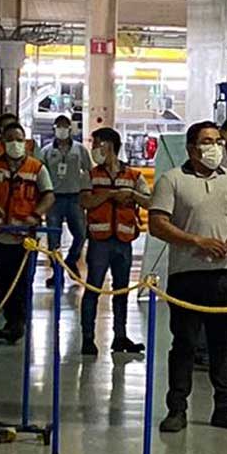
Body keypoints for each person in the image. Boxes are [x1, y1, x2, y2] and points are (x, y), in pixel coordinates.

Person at [148, 120, 227, 433]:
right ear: (192, 147)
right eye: (208, 142)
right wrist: (195, 241)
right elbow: (157, 223)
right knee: (185, 343)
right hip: (187, 275)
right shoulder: (173, 180)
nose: (215, 147)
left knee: (223, 345)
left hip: (225, 274)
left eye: (219, 141)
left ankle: (225, 407)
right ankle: (177, 408)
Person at [0, 120, 53, 344]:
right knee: (4, 281)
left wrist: (36, 215)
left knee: (22, 282)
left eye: (19, 140)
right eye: (10, 140)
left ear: (26, 142)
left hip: (25, 238)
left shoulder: (36, 168)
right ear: (1, 142)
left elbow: (48, 195)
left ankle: (19, 321)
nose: (15, 144)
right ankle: (12, 320)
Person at [77, 126, 148, 356]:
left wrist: (132, 196)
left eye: (97, 143)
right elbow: (85, 202)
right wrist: (108, 195)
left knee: (121, 291)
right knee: (93, 289)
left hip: (124, 241)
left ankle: (120, 336)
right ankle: (88, 338)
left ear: (109, 145)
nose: (95, 148)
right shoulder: (91, 175)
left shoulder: (133, 176)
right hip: (99, 241)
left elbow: (149, 201)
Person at [41, 114, 90, 282]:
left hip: (75, 198)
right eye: (59, 126)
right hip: (54, 199)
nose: (62, 130)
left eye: (65, 126)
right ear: (54, 129)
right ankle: (57, 273)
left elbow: (89, 171)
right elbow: (41, 174)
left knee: (81, 234)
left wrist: (87, 193)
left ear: (70, 129)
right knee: (53, 239)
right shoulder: (46, 151)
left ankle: (71, 260)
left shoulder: (80, 149)